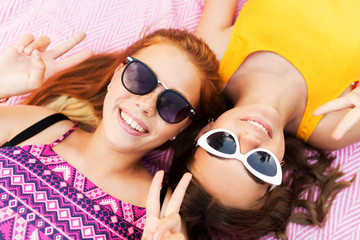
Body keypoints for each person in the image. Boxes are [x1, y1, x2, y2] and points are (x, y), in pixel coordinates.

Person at [160, 0, 360, 239]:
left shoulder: (213, 56)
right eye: (260, 164)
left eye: (223, 144)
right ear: (277, 177)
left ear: (204, 132)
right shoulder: (330, 127)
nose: (250, 140)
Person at [0, 28, 222, 239]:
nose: (146, 105)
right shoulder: (35, 125)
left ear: (182, 126)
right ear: (117, 74)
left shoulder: (163, 214)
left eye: (173, 105)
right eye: (141, 77)